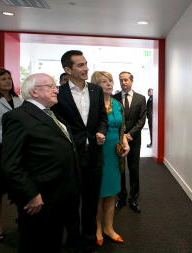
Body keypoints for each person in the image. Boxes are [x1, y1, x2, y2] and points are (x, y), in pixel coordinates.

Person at [1, 73, 80, 253]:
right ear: (34, 92)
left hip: (60, 193)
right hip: (41, 197)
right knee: (36, 243)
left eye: (55, 86)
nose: (56, 90)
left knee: (52, 241)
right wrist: (30, 194)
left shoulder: (51, 113)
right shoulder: (18, 117)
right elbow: (11, 164)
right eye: (51, 86)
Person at [52, 50, 108, 253]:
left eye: (85, 64)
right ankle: (74, 244)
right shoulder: (59, 93)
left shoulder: (95, 90)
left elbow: (102, 117)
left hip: (94, 155)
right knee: (71, 205)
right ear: (67, 69)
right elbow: (56, 124)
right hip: (71, 158)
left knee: (91, 205)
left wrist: (101, 132)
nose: (86, 69)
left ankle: (89, 243)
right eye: (80, 65)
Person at [91, 71, 130, 246]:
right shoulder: (93, 104)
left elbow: (122, 127)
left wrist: (126, 145)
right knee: (98, 192)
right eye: (104, 81)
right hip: (99, 151)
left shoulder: (117, 104)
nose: (109, 84)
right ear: (96, 85)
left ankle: (109, 228)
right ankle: (97, 229)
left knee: (112, 191)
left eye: (110, 81)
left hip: (115, 153)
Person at [112, 71, 146, 213]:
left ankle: (133, 199)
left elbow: (142, 119)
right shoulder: (114, 99)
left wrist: (130, 134)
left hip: (134, 139)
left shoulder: (140, 98)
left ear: (132, 81)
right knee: (120, 169)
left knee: (133, 168)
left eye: (126, 80)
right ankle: (121, 198)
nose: (123, 82)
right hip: (118, 140)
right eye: (121, 80)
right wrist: (122, 135)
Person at [0, 68, 23, 241]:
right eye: (3, 79)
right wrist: (5, 144)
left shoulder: (18, 99)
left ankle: (23, 220)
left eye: (9, 78)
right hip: (2, 148)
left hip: (20, 147)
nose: (7, 81)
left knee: (20, 187)